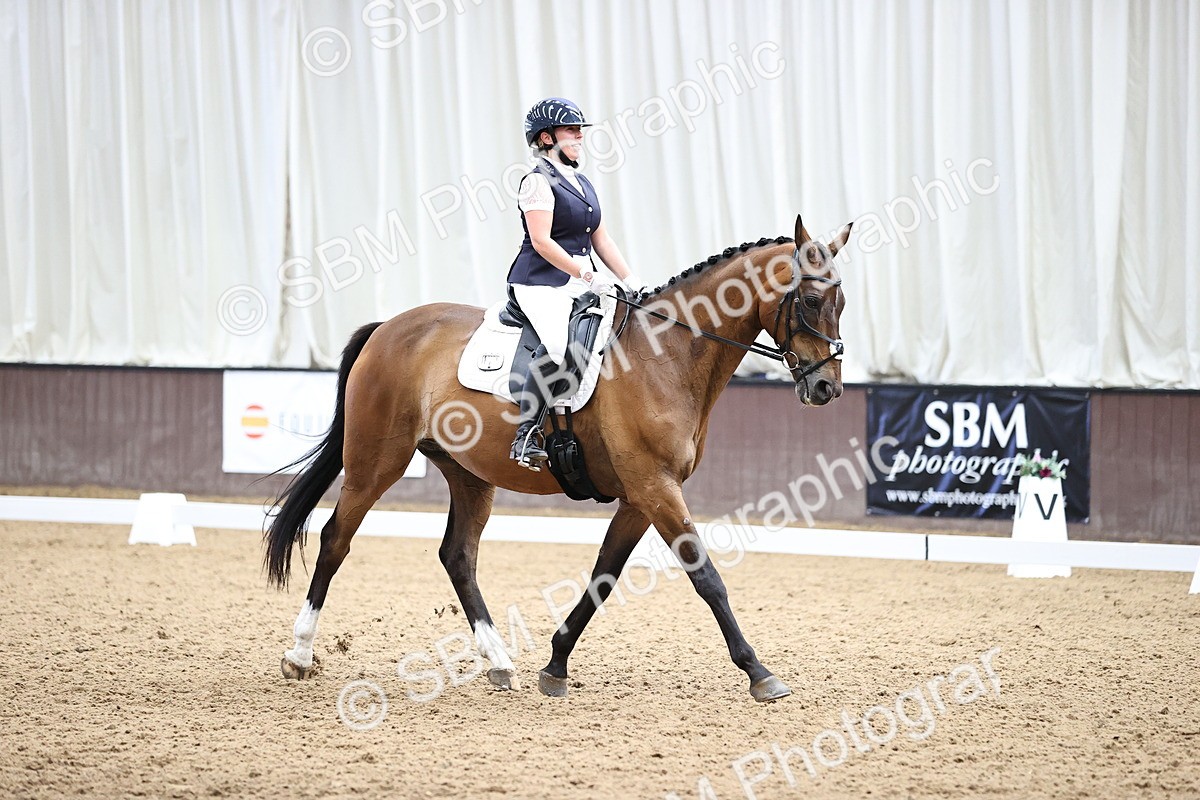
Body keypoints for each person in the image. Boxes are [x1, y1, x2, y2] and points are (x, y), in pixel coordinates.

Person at [507, 97, 644, 471]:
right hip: (541, 281)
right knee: (556, 346)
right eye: (572, 131)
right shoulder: (536, 182)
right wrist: (585, 274)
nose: (579, 137)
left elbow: (601, 238)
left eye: (580, 131)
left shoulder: (581, 183)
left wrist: (631, 281)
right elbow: (541, 241)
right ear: (547, 137)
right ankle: (524, 436)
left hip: (583, 280)